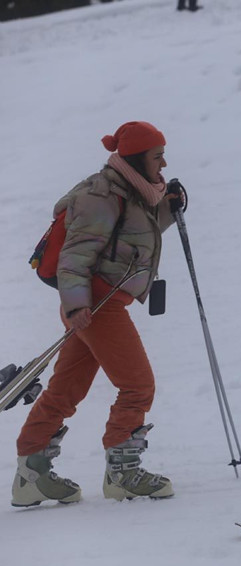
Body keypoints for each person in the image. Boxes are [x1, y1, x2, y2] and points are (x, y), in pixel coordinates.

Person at [11, 121, 186, 507]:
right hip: (96, 307)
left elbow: (132, 241)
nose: (164, 162)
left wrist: (168, 212)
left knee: (65, 390)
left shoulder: (133, 190)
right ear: (137, 158)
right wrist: (76, 306)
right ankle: (123, 473)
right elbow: (75, 257)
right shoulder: (101, 194)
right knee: (138, 385)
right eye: (157, 156)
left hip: (99, 304)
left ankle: (30, 476)